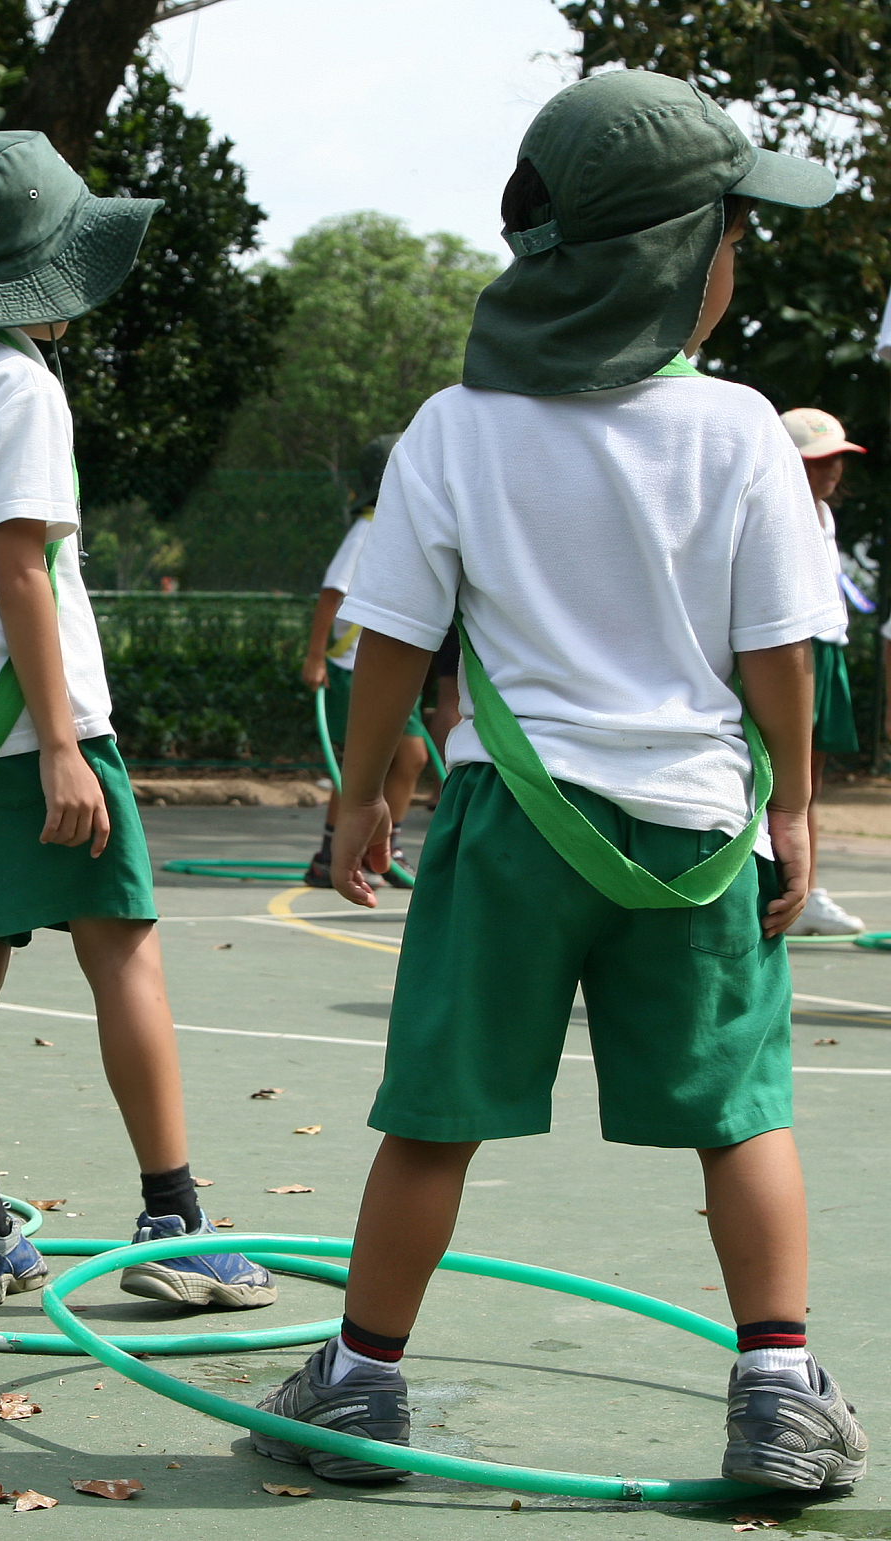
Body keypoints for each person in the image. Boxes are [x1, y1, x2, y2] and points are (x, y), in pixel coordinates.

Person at [257, 72, 867, 1492]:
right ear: (678, 259)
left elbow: (393, 639)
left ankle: (358, 1382)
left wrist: (362, 795)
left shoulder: (458, 429)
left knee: (438, 1113)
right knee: (740, 1113)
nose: (736, 261)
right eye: (731, 234)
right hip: (699, 839)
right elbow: (776, 650)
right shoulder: (736, 432)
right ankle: (776, 1386)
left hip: (509, 831)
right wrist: (789, 806)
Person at [0, 130, 277, 1311]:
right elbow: (21, 572)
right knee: (122, 948)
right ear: (42, 273)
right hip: (27, 726)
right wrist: (57, 740)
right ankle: (173, 1219)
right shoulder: (19, 387)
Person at [299, 433, 429, 884]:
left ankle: (385, 850)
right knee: (360, 763)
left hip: (395, 665)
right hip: (357, 665)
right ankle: (329, 854)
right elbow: (333, 591)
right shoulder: (370, 528)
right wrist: (316, 657)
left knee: (410, 759)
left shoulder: (402, 526)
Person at [777, 407, 869, 937]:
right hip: (793, 648)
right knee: (782, 777)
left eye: (836, 459)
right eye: (816, 461)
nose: (830, 471)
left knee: (809, 780)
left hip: (827, 649)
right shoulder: (777, 512)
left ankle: (805, 889)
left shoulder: (824, 515)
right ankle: (777, 882)